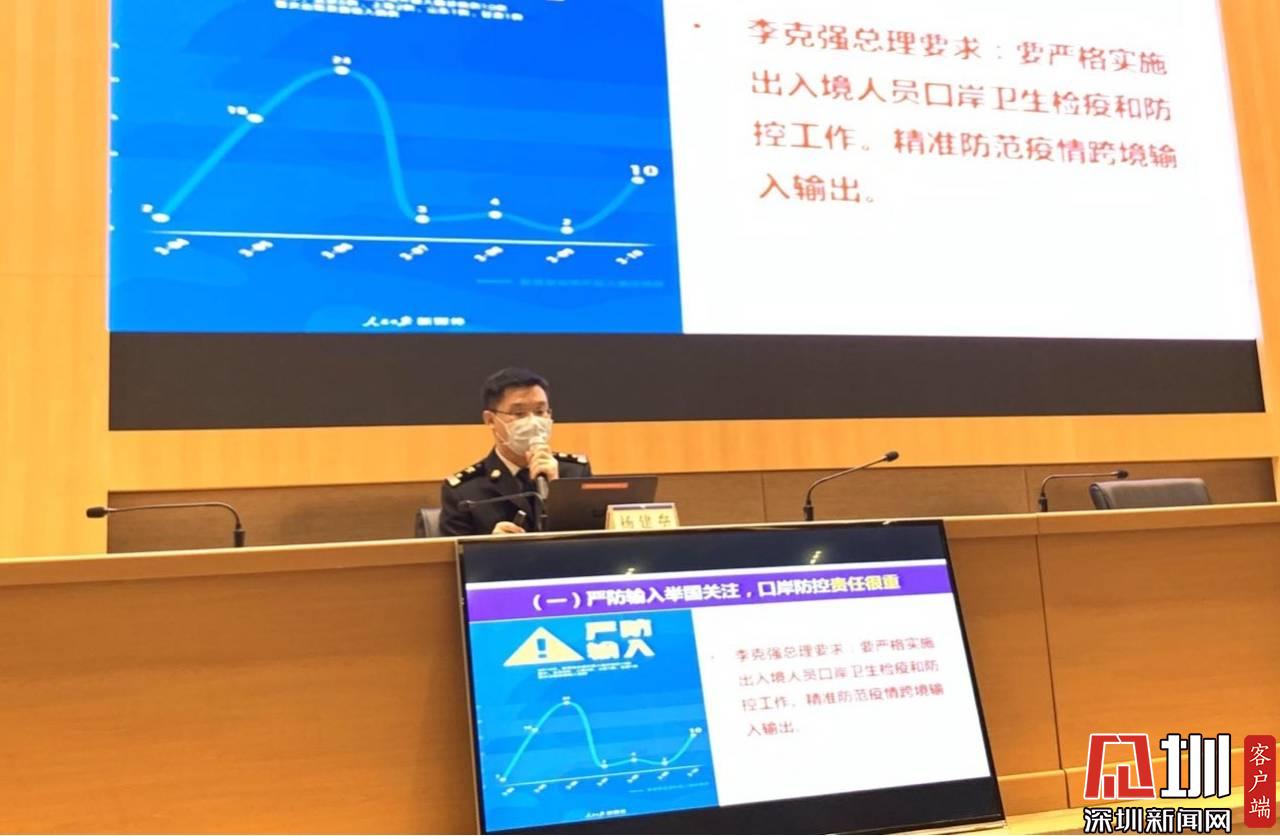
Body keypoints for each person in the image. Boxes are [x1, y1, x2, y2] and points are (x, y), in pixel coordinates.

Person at [439, 367, 591, 536]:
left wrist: (557, 491)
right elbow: (454, 552)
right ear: (491, 420)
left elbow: (595, 541)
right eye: (519, 413)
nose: (533, 422)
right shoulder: (464, 491)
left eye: (540, 412)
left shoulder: (574, 474)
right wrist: (487, 546)